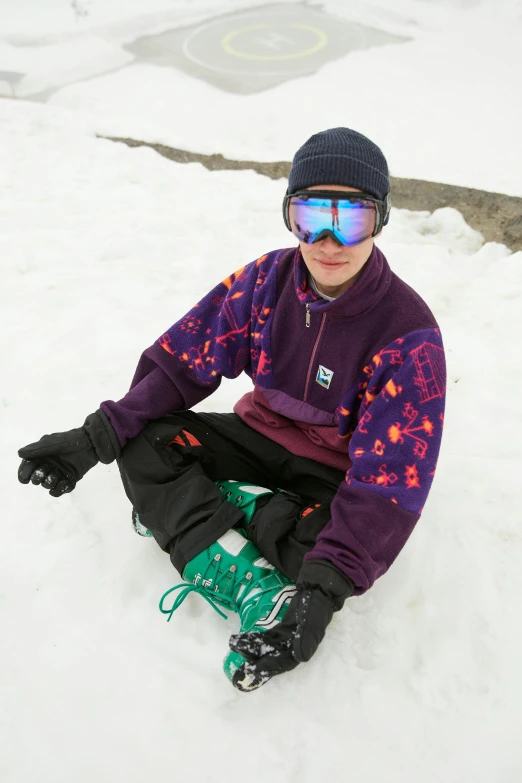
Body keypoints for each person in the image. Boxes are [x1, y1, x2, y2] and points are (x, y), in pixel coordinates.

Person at [17, 127, 446, 692]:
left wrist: (319, 595)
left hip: (330, 479)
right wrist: (97, 436)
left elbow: (387, 487)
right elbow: (179, 363)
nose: (328, 241)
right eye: (311, 214)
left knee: (329, 556)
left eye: (353, 219)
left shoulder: (409, 338)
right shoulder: (267, 283)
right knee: (146, 441)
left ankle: (220, 518)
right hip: (258, 438)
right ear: (290, 214)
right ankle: (255, 582)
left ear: (382, 220)